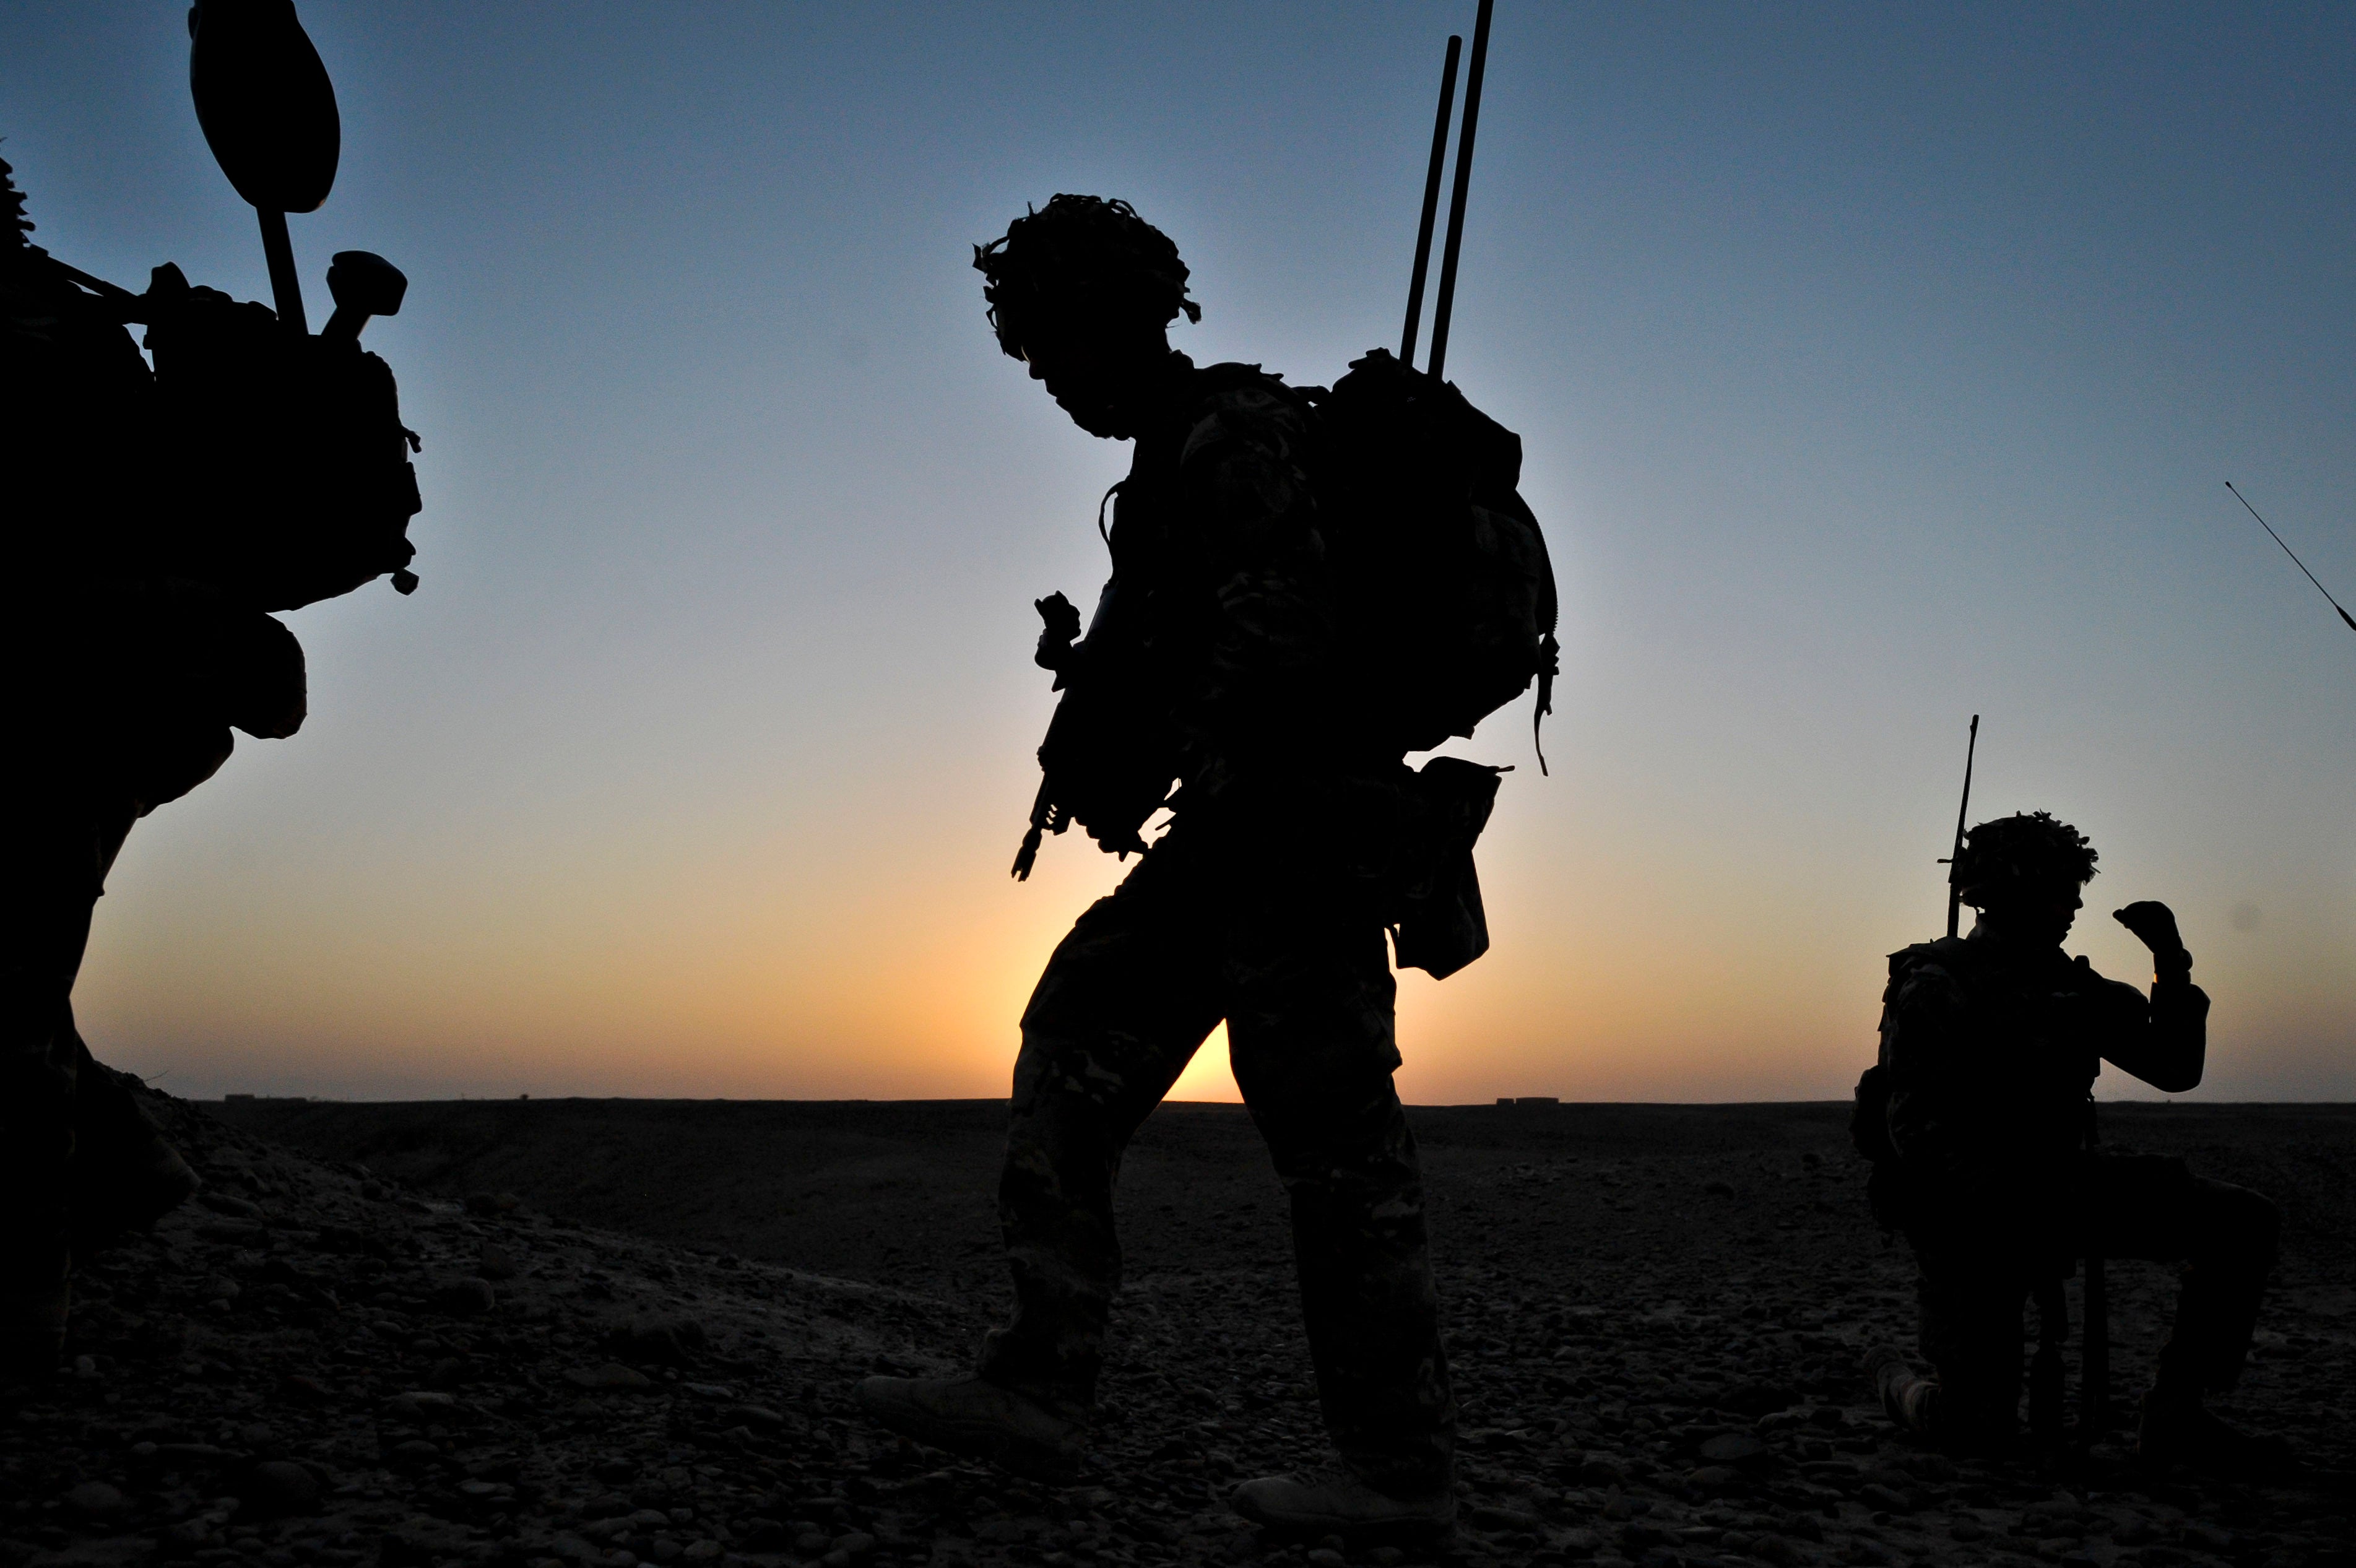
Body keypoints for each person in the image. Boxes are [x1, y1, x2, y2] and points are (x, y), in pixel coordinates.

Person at [855, 195, 1460, 1540]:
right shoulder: (1168, 463)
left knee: (1333, 1141)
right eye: (1030, 349)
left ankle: (1399, 1474)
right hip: (1232, 836)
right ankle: (1040, 1385)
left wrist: (1170, 708)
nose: (1046, 374)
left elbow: (1286, 628)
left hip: (1298, 834)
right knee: (1073, 1039)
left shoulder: (1228, 440)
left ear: (1121, 315)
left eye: (1055, 341)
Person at [1, 156, 421, 1384]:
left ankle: (21, 1309)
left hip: (89, 682)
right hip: (119, 680)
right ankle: (120, 1173)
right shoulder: (64, 322)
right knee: (17, 963)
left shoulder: (45, 334)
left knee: (7, 976)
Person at [1860, 810, 2283, 1469]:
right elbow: (1914, 1129)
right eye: (2057, 889)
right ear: (2008, 891)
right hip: (1970, 1215)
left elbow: (2173, 1068)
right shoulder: (1937, 982)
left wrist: (2169, 964)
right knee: (1975, 1428)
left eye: (2073, 886)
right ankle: (1895, 1382)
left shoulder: (2072, 989)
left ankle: (2177, 1413)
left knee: (2241, 1220)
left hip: (2057, 1185)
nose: (2074, 904)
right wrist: (2008, 1205)